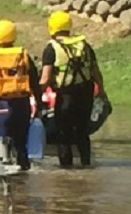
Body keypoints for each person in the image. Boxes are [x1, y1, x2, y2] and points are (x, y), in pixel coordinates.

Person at [40, 11, 105, 168]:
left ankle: (66, 171)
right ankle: (86, 165)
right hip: (85, 93)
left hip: (65, 96)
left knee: (64, 134)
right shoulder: (84, 46)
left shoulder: (51, 48)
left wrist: (36, 94)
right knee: (82, 132)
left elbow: (46, 78)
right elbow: (96, 72)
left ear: (52, 28)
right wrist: (101, 91)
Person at [0, 19, 42, 171]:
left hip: (4, 104)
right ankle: (24, 167)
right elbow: (34, 82)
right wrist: (39, 103)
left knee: (5, 135)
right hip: (23, 103)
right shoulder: (23, 55)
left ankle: (7, 164)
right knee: (21, 141)